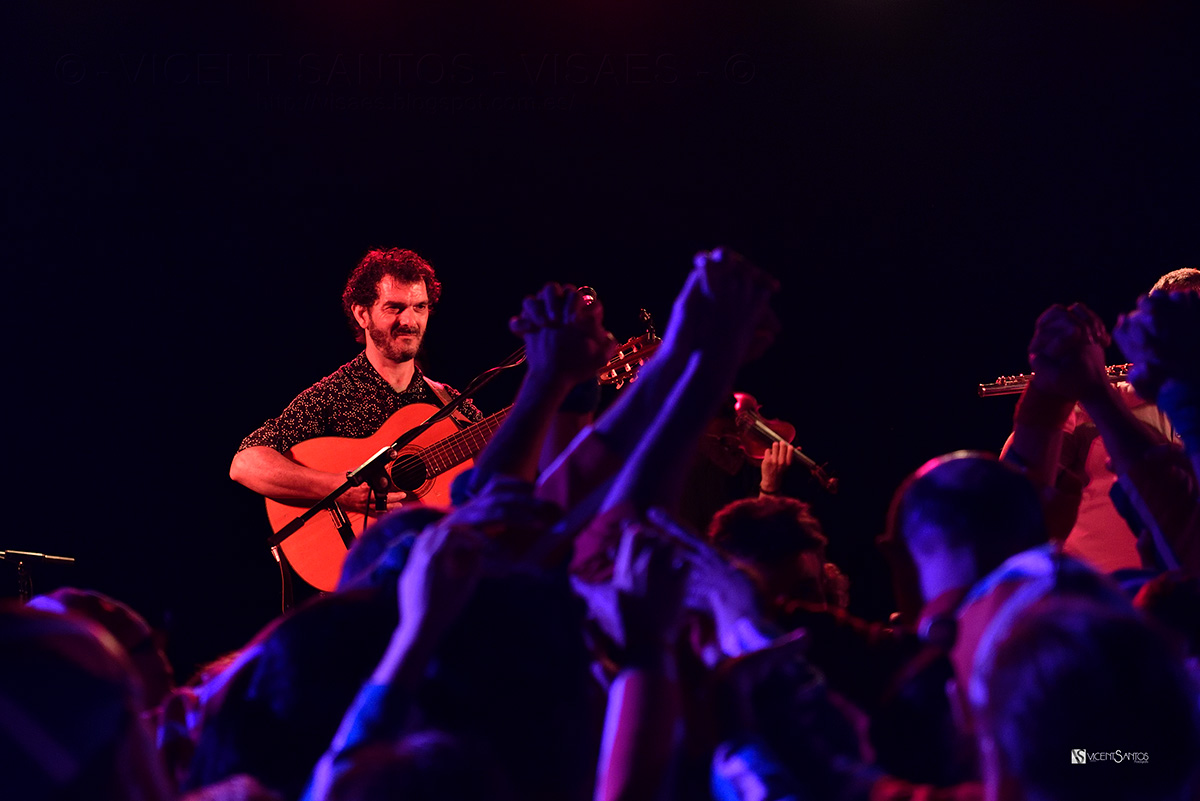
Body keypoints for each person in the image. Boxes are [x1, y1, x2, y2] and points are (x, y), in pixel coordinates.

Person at [230, 248, 481, 518]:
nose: (410, 321)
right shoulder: (333, 395)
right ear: (362, 314)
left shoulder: (450, 404)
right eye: (394, 308)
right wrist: (339, 488)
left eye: (420, 307)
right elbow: (245, 463)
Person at [1001, 268, 1200, 574]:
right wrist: (1049, 390)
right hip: (1100, 596)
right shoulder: (1082, 409)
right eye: (1173, 328)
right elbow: (1011, 502)